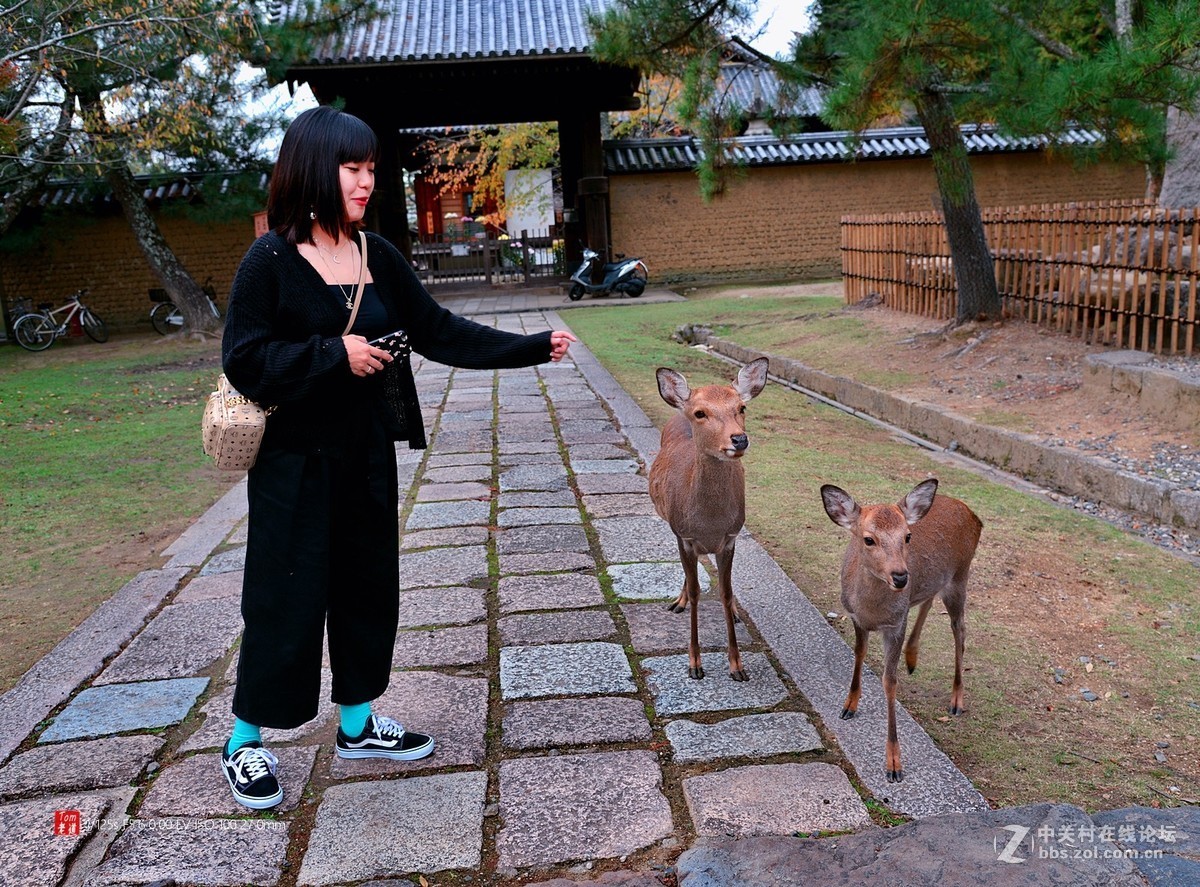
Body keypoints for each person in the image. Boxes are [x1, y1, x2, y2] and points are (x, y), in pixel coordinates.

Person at [219, 105, 576, 809]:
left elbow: (439, 329)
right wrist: (332, 352)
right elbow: (243, 360)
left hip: (364, 458)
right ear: (316, 169)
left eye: (371, 168)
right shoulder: (269, 260)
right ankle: (243, 740)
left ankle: (356, 723)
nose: (365, 180)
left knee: (365, 589)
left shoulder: (376, 254)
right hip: (294, 465)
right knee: (285, 600)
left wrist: (532, 346)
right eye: (353, 168)